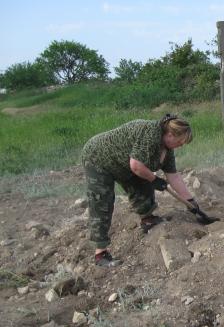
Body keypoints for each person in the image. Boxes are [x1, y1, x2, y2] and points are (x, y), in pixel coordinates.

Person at [81, 114, 200, 267]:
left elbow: (174, 176)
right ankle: (100, 254)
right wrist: (155, 179)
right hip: (98, 159)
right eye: (179, 142)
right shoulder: (151, 134)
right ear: (170, 135)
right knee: (102, 201)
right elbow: (136, 165)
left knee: (143, 181)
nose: (181, 145)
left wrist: (190, 201)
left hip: (123, 164)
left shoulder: (167, 150)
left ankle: (147, 218)